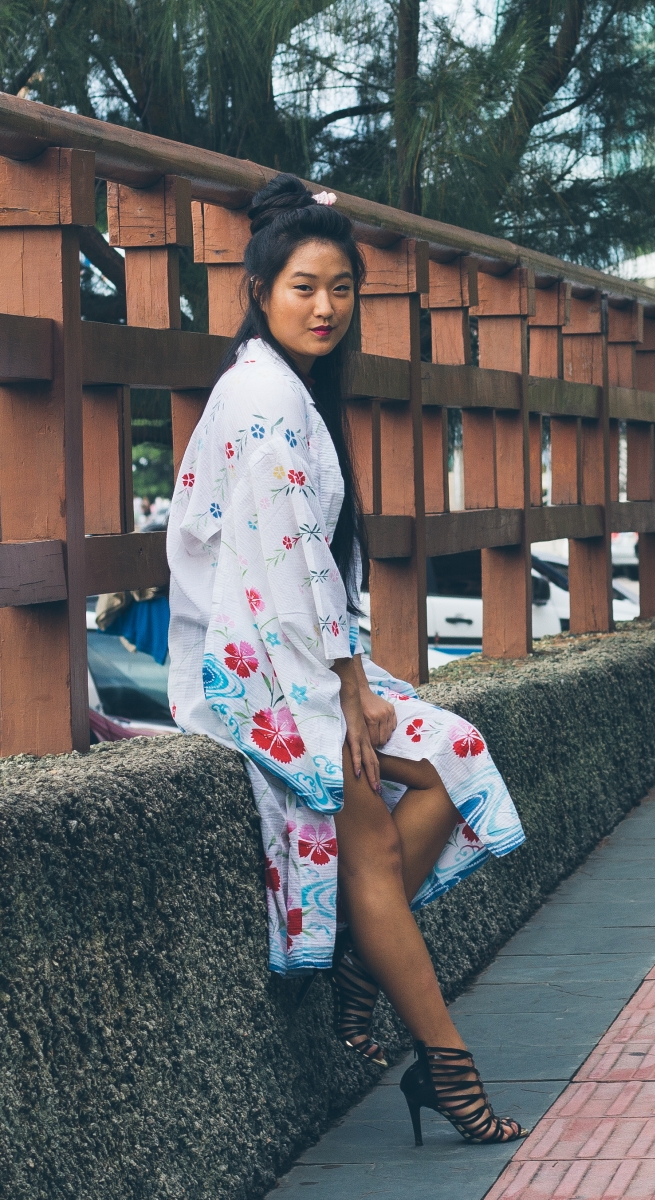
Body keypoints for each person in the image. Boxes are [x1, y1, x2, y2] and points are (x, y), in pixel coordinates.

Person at [166, 174, 527, 1146]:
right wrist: (351, 688)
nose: (324, 306)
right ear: (259, 290)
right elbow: (287, 565)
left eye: (340, 288)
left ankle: (362, 958)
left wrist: (349, 677)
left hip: (302, 654)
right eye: (302, 288)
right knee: (369, 830)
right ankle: (446, 1068)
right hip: (260, 668)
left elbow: (313, 563)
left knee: (452, 752)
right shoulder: (262, 396)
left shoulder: (289, 387)